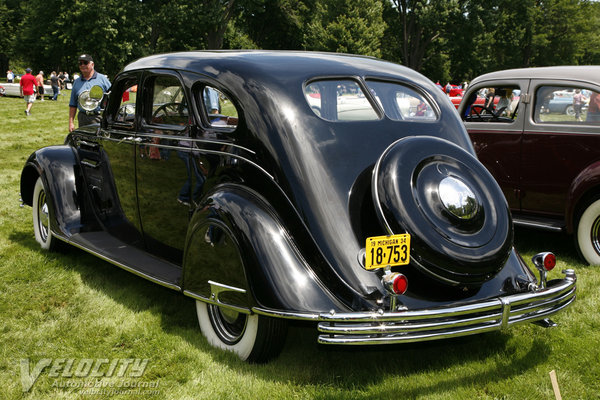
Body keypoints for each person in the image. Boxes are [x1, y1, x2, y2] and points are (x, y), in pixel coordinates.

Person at [69, 54, 111, 132]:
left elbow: (113, 97)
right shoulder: (77, 82)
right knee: (84, 141)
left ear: (92, 64)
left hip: (99, 117)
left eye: (85, 63)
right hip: (83, 118)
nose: (82, 65)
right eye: (80, 63)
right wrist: (71, 122)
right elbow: (73, 104)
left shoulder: (102, 79)